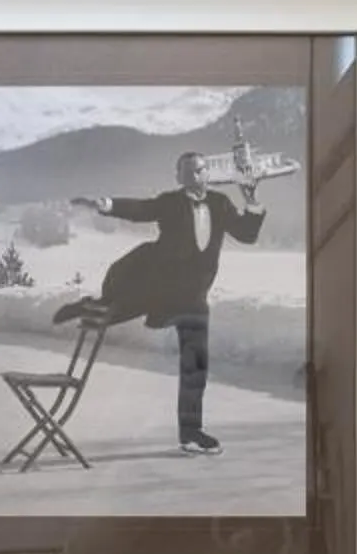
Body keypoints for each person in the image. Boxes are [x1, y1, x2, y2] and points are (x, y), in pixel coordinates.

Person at [56, 151, 266, 454]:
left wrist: (252, 200)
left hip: (194, 300)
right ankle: (86, 306)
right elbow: (141, 208)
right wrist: (106, 205)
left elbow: (247, 234)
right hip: (160, 290)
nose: (197, 176)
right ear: (178, 177)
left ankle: (191, 433)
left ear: (208, 173)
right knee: (112, 311)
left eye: (201, 170)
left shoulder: (220, 203)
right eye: (189, 172)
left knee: (196, 367)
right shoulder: (170, 202)